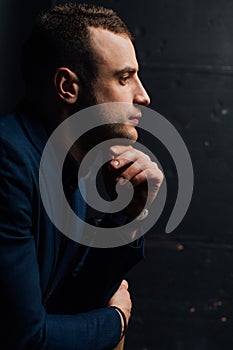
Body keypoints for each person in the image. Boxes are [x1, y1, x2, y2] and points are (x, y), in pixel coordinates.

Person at [0, 3, 163, 349]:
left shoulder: (75, 164)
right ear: (67, 87)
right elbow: (26, 339)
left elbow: (71, 302)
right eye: (123, 77)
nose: (143, 96)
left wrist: (129, 216)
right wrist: (115, 321)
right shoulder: (8, 162)